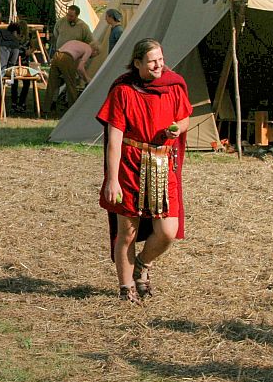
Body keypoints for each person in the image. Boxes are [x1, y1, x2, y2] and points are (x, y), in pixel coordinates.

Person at [98, 38, 192, 303]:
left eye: (160, 59)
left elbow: (184, 117)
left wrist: (178, 128)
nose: (158, 65)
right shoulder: (123, 91)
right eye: (152, 61)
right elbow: (114, 139)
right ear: (137, 63)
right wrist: (112, 180)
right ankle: (126, 287)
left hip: (163, 166)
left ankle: (142, 264)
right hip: (130, 167)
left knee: (168, 231)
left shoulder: (173, 86)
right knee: (127, 232)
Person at [45, 39, 99, 115]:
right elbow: (80, 67)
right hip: (66, 58)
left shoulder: (80, 45)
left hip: (57, 55)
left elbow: (77, 67)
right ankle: (73, 110)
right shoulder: (89, 49)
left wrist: (82, 76)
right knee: (71, 85)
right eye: (96, 55)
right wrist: (87, 79)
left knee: (52, 84)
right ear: (95, 51)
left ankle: (46, 109)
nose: (93, 57)